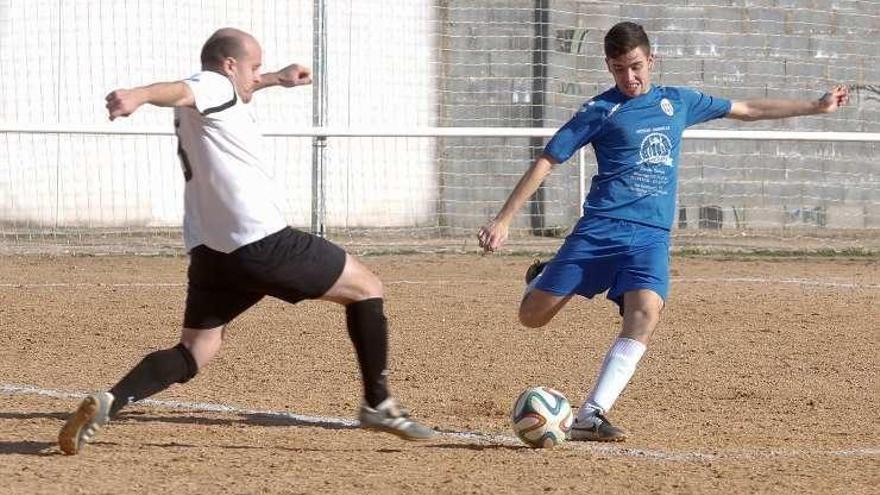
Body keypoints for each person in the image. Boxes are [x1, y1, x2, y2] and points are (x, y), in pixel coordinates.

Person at [58, 27, 434, 455]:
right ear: (229, 65)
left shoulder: (219, 95)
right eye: (253, 66)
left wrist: (278, 77)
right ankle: (378, 403)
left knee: (195, 350)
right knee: (367, 288)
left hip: (212, 253)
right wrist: (139, 95)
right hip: (262, 241)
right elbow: (183, 88)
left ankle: (111, 401)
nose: (257, 75)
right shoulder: (211, 84)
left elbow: (231, 88)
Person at [478, 21, 849, 442]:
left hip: (651, 235)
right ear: (609, 67)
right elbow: (548, 160)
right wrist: (504, 219)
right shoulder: (599, 111)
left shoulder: (680, 101)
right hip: (601, 229)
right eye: (619, 69)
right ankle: (543, 277)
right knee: (532, 318)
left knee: (645, 313)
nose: (629, 77)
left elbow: (746, 109)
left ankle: (591, 413)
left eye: (636, 66)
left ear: (651, 60)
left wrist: (815, 107)